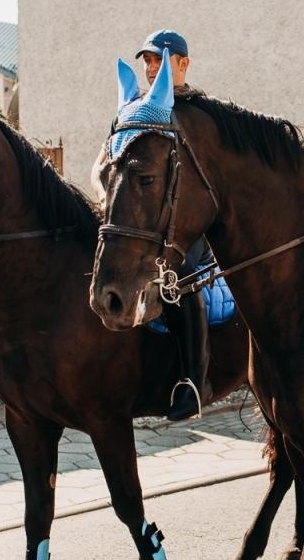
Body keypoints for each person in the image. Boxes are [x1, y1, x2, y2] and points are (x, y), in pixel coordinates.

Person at [91, 29, 218, 420]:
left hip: (187, 222)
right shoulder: (135, 112)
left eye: (159, 60)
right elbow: (101, 166)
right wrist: (105, 194)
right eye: (147, 61)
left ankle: (195, 381)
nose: (151, 68)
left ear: (184, 63)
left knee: (183, 274)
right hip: (137, 220)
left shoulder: (198, 112)